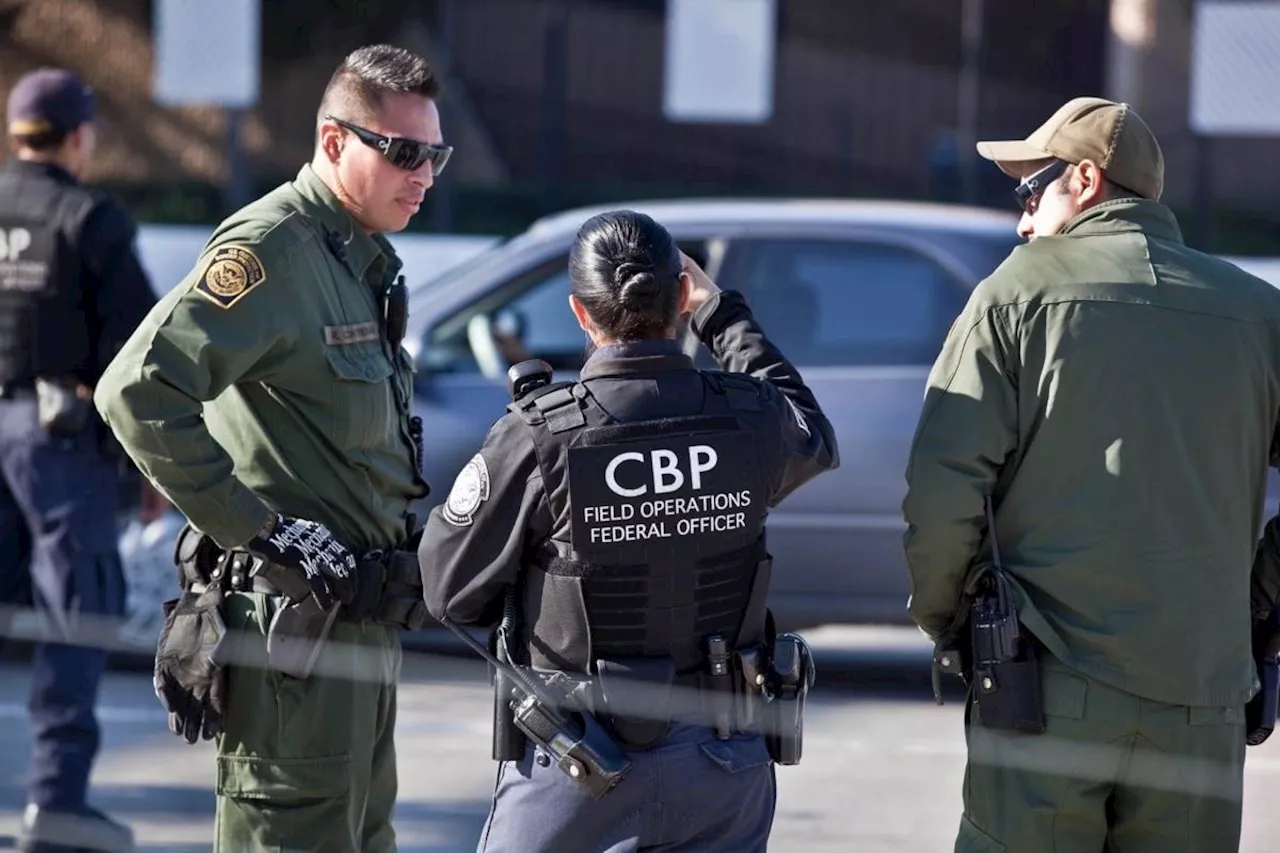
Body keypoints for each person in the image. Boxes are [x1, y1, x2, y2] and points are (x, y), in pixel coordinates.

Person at [93, 44, 452, 852]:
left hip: (361, 628)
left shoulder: (353, 256)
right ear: (334, 143)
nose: (424, 173)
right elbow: (134, 391)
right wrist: (257, 526)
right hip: (295, 638)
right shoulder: (274, 249)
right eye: (401, 152)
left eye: (435, 154)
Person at [902, 95, 1280, 852]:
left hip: (1045, 680)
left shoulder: (1013, 296)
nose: (1022, 218)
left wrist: (955, 622)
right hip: (1202, 689)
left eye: (1028, 190)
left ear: (1084, 178)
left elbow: (943, 489)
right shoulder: (1258, 312)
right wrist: (1260, 602)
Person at [417, 209, 839, 853]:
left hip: (580, 766)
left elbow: (447, 591)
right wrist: (721, 315)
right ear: (680, 298)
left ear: (580, 314)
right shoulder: (749, 415)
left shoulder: (542, 433)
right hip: (723, 763)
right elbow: (814, 433)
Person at [0, 66, 158, 853]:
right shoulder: (90, 219)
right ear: (79, 136)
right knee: (75, 618)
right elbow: (140, 359)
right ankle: (55, 809)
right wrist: (156, 466)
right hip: (60, 443)